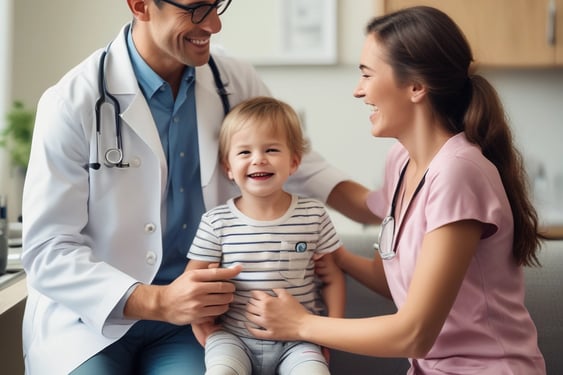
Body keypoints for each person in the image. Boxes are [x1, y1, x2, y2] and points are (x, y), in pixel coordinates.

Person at [20, 1, 374, 374]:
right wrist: (158, 301)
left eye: (218, 5)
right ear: (140, 6)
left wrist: (401, 205)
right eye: (197, 9)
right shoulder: (72, 102)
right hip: (90, 319)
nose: (215, 25)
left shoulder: (232, 80)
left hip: (193, 320)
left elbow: (299, 165)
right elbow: (47, 249)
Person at [245, 6, 547, 375]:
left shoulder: (458, 173)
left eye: (367, 75)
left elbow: (415, 333)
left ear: (417, 86)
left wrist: (299, 324)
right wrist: (335, 255)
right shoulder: (402, 160)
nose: (359, 91)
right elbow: (398, 280)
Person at [186, 96, 345, 375]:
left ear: (294, 161)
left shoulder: (314, 215)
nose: (258, 159)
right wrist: (202, 325)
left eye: (271, 149)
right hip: (234, 338)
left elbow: (332, 277)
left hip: (299, 339)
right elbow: (193, 283)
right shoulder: (215, 222)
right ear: (228, 168)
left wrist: (332, 329)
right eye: (244, 152)